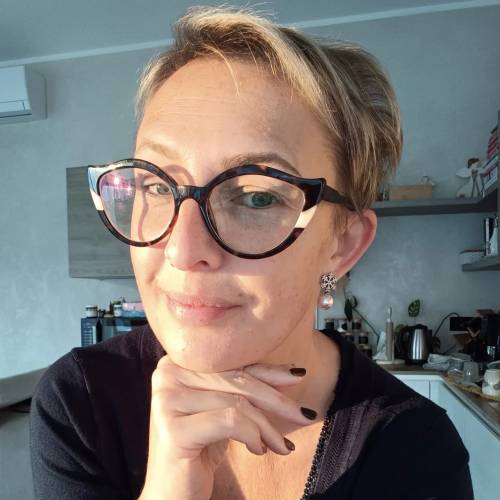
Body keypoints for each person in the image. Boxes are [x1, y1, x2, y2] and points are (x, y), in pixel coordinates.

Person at [30, 5, 473, 500]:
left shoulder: (413, 448)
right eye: (156, 185)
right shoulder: (80, 400)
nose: (182, 249)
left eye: (256, 197)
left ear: (343, 243)